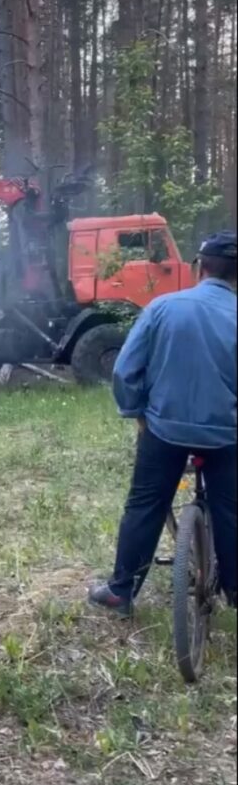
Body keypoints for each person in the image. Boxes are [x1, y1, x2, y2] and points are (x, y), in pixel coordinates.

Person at [89, 231, 237, 618]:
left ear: (198, 268)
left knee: (145, 504)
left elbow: (125, 370)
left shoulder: (161, 308)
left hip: (164, 429)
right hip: (227, 434)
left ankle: (121, 592)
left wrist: (136, 412)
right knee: (231, 509)